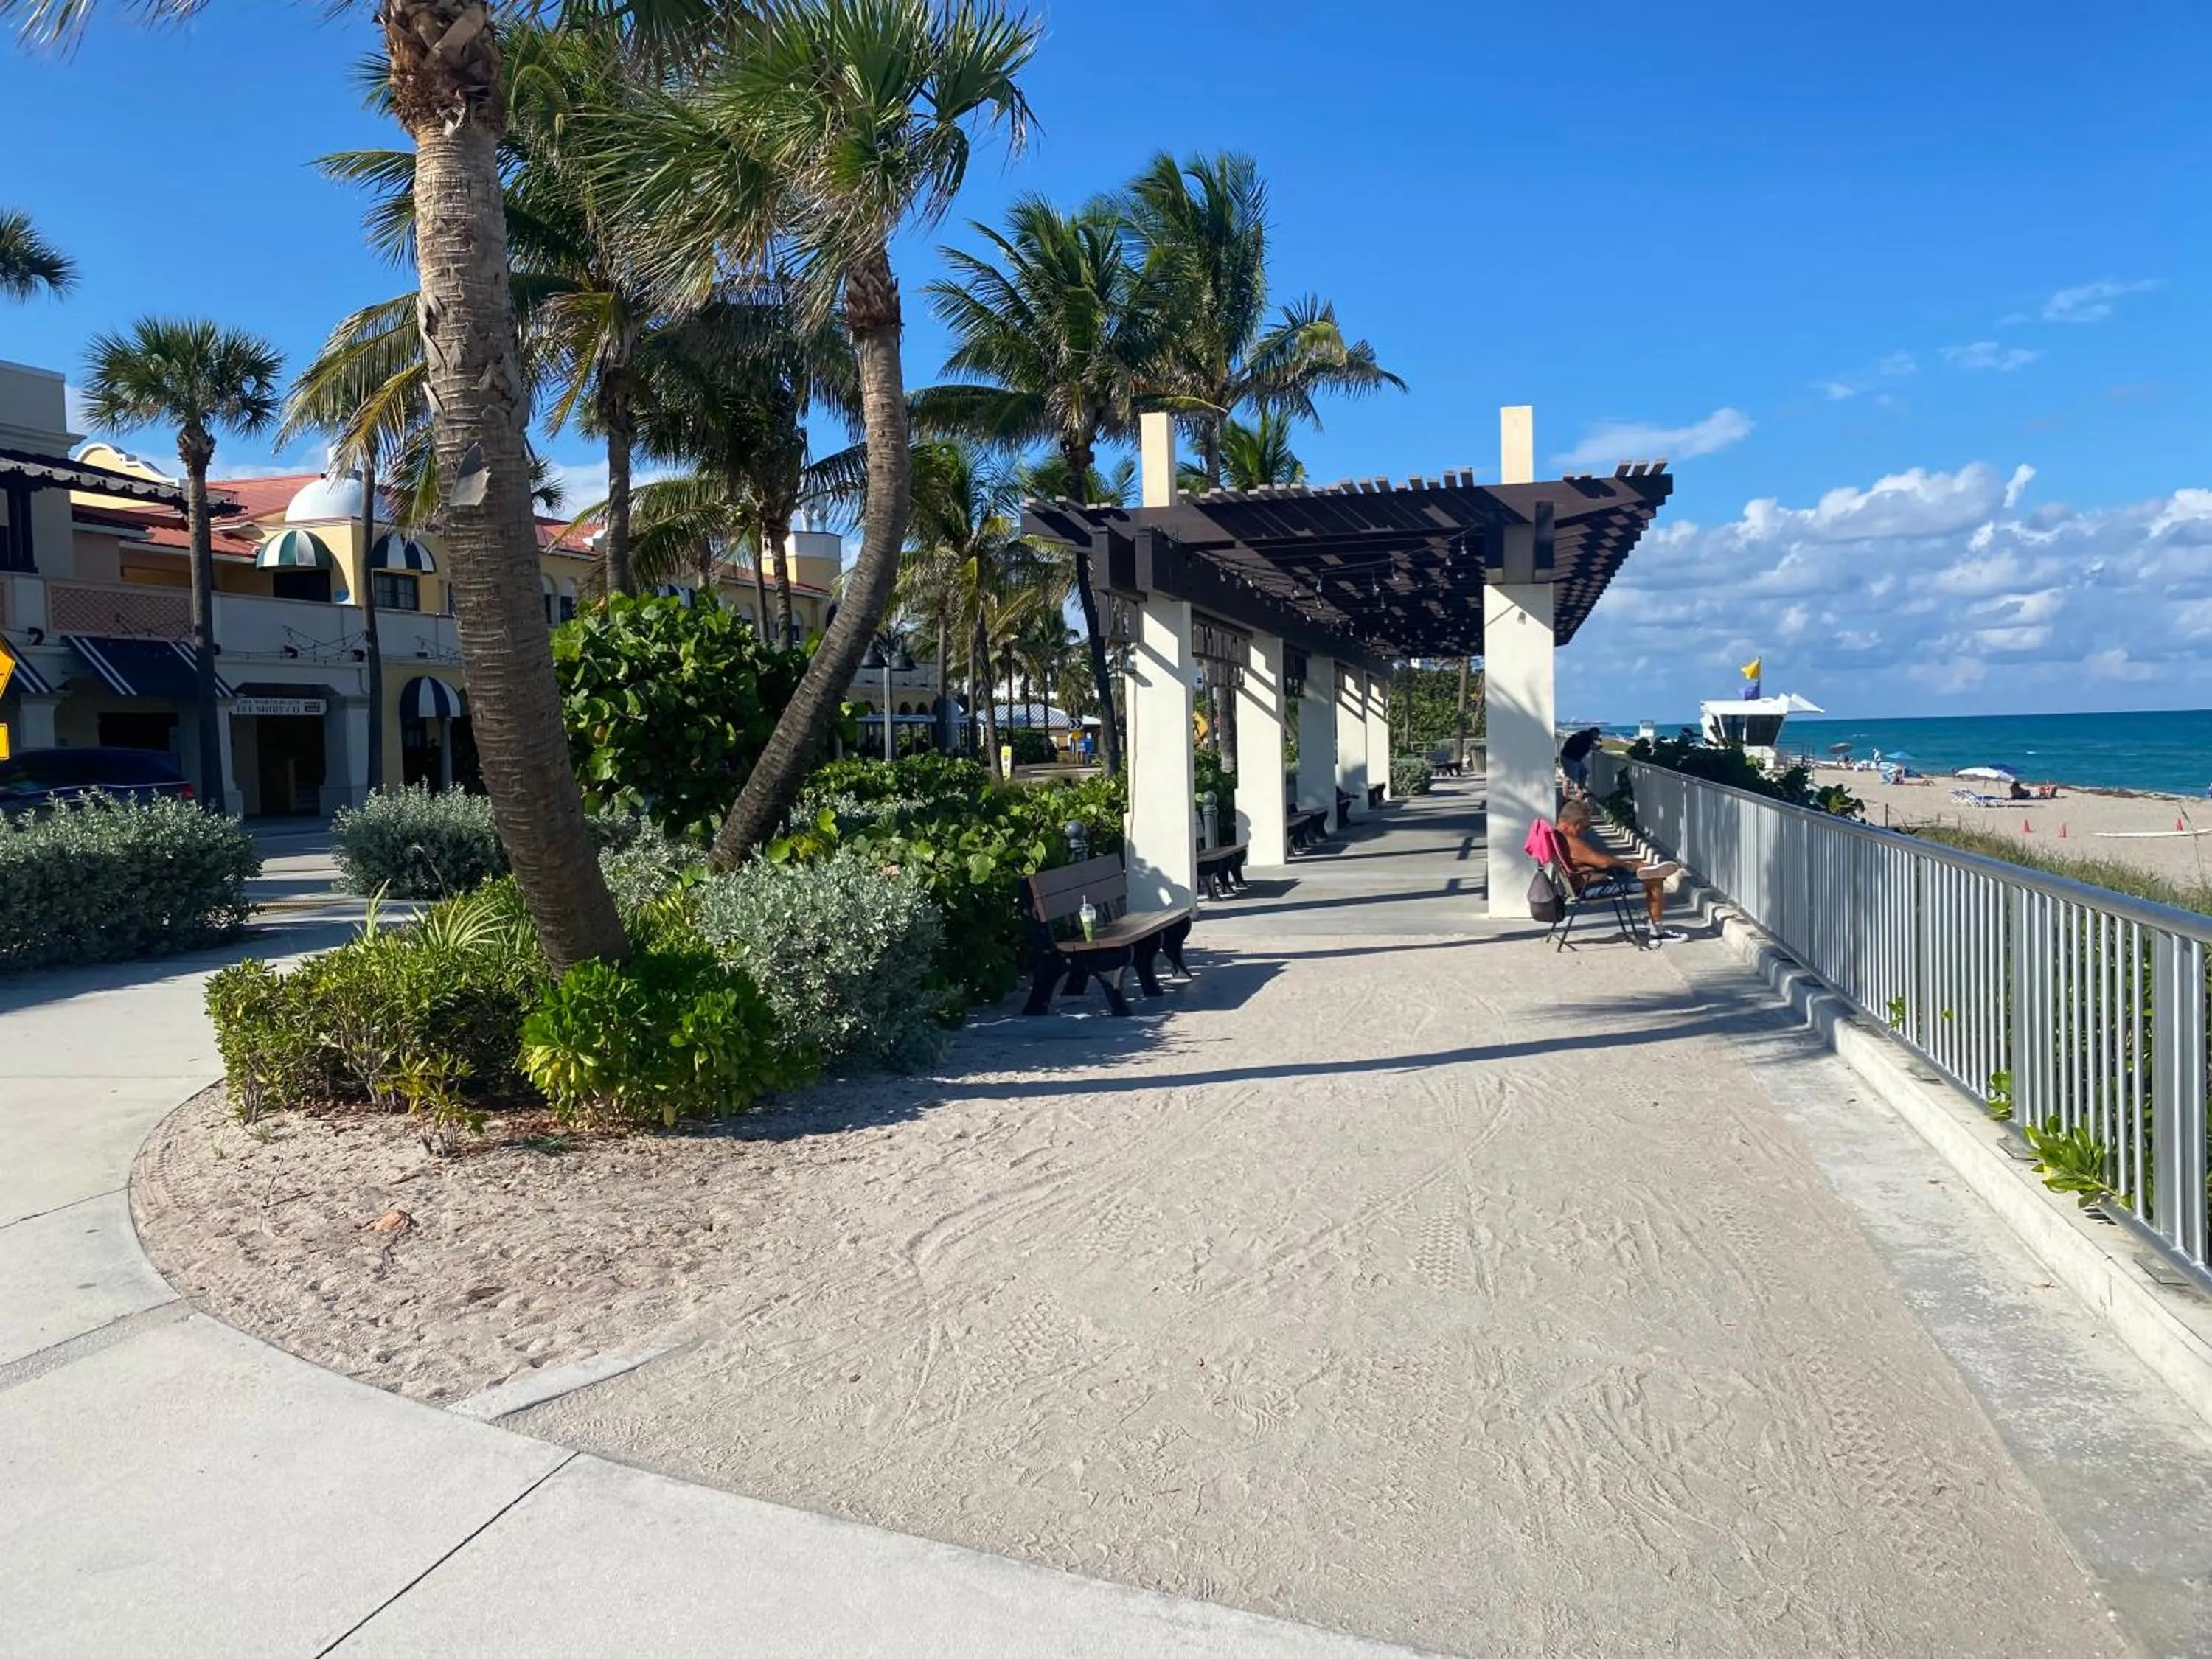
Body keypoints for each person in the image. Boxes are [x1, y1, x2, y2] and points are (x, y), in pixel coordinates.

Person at [1554, 799, 1685, 943]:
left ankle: (1646, 870)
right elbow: (1603, 862)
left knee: (1635, 871)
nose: (1585, 831)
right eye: (1586, 827)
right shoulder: (1570, 841)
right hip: (1589, 887)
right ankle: (1658, 934)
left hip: (1584, 882)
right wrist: (1630, 865)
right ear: (1575, 823)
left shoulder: (1557, 836)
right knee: (1654, 881)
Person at [1558, 726, 1601, 796]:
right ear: (1593, 733)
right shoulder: (1587, 738)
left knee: (1584, 772)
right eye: (1597, 735)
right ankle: (1565, 797)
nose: (1597, 736)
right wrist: (1599, 746)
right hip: (1570, 758)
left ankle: (1580, 792)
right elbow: (1594, 747)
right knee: (1569, 778)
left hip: (1570, 757)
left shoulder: (1583, 734)